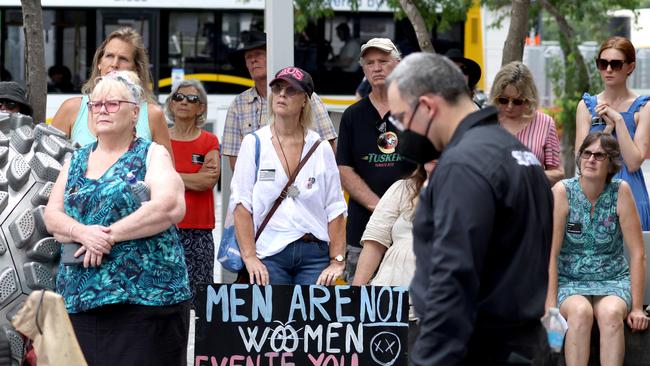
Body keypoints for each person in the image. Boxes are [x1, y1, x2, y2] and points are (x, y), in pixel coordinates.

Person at [387, 52, 553, 365]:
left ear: (426, 106)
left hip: (476, 349)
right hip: (523, 344)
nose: (401, 132)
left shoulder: (464, 164)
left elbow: (451, 282)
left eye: (400, 118)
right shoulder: (518, 153)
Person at [44, 71, 191, 365]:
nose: (101, 110)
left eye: (112, 104)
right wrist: (82, 233)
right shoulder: (75, 159)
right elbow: (52, 215)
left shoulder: (152, 154)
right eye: (95, 105)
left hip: (145, 303)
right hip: (81, 302)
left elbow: (170, 206)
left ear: (135, 112)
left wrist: (108, 236)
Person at [231, 66, 347, 286]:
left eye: (291, 90)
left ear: (305, 100)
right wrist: (249, 257)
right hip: (269, 254)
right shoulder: (254, 143)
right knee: (273, 321)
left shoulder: (320, 147)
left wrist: (337, 261)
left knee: (312, 321)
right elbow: (241, 205)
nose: (282, 94)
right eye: (277, 88)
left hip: (315, 254)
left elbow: (335, 208)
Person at [546, 132, 648, 365]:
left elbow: (637, 254)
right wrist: (550, 307)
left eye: (599, 155)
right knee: (580, 313)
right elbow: (549, 254)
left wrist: (637, 308)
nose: (591, 159)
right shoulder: (563, 191)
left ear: (611, 162)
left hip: (612, 278)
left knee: (611, 314)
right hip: (569, 279)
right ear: (580, 157)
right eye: (587, 153)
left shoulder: (620, 191)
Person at [336, 37, 415, 283]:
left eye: (383, 61)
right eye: (369, 63)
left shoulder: (414, 110)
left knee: (407, 314)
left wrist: (397, 209)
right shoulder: (352, 115)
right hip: (362, 230)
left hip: (408, 231)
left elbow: (425, 163)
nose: (376, 68)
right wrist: (379, 207)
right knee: (360, 307)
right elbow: (345, 169)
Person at [223, 31, 337, 171]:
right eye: (248, 57)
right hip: (258, 190)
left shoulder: (308, 98)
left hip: (303, 186)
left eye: (258, 54)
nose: (253, 60)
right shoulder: (238, 105)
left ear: (271, 56)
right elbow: (235, 163)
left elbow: (329, 148)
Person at [50, 27, 173, 156]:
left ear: (136, 68)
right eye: (109, 56)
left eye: (123, 58)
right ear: (99, 63)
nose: (114, 64)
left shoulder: (152, 115)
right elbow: (48, 161)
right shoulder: (71, 109)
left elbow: (167, 171)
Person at [352, 164, 429, 353]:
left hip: (440, 311)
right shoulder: (402, 189)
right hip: (389, 304)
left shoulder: (470, 192)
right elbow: (374, 243)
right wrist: (354, 297)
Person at [576, 36, 650, 230]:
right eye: (603, 63)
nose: (608, 69)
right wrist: (607, 131)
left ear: (630, 66)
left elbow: (634, 162)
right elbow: (580, 158)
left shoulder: (644, 107)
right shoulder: (586, 106)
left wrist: (618, 121)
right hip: (593, 192)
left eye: (615, 64)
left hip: (631, 191)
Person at [165, 79, 220, 308]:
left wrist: (169, 176)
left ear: (201, 108)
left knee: (200, 302)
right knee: (166, 299)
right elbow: (150, 180)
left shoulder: (209, 140)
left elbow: (207, 181)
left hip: (199, 232)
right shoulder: (160, 140)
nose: (184, 102)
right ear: (170, 104)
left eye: (192, 99)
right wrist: (191, 178)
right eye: (178, 97)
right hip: (165, 229)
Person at [491, 61, 564, 185]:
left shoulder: (544, 123)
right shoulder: (487, 122)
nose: (509, 106)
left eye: (517, 101)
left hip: (531, 200)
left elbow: (558, 173)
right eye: (503, 100)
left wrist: (527, 174)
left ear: (529, 99)